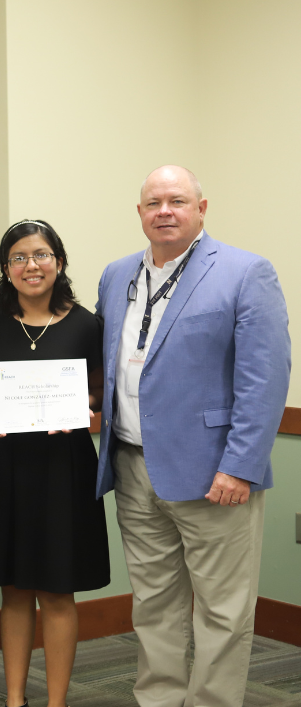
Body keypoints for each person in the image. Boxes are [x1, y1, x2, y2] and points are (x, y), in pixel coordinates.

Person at [96, 165, 290, 707]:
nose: (164, 211)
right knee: (152, 604)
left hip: (214, 473)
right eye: (153, 202)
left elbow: (265, 379)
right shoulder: (116, 275)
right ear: (139, 213)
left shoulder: (245, 272)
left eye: (177, 201)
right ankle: (159, 698)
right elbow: (109, 366)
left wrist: (240, 466)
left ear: (201, 209)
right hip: (133, 467)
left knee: (222, 610)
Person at [0, 220, 109, 707]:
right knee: (15, 589)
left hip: (64, 467)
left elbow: (99, 391)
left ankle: (56, 701)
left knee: (59, 591)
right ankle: (15, 700)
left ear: (59, 262)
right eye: (19, 257)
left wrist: (79, 406)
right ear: (6, 268)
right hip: (5, 469)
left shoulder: (87, 324)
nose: (31, 265)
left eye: (41, 255)